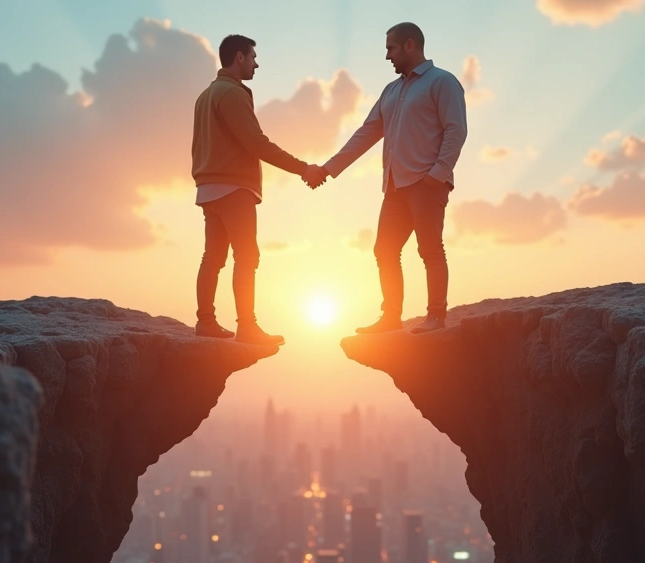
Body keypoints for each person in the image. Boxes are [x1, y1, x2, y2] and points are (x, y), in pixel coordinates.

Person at [307, 22, 468, 334]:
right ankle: (390, 317)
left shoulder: (442, 82)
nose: (387, 56)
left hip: (426, 184)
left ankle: (436, 316)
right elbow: (367, 133)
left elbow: (456, 130)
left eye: (390, 48)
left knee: (430, 250)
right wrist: (328, 168)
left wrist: (436, 175)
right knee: (384, 250)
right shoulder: (391, 90)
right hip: (395, 188)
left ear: (410, 45)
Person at [192, 34, 328, 346]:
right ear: (239, 57)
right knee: (247, 256)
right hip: (233, 188)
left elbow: (198, 145)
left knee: (212, 256)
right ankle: (247, 327)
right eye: (253, 57)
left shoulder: (205, 95)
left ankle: (206, 322)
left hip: (209, 188)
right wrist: (303, 167)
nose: (256, 63)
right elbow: (256, 143)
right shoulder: (231, 93)